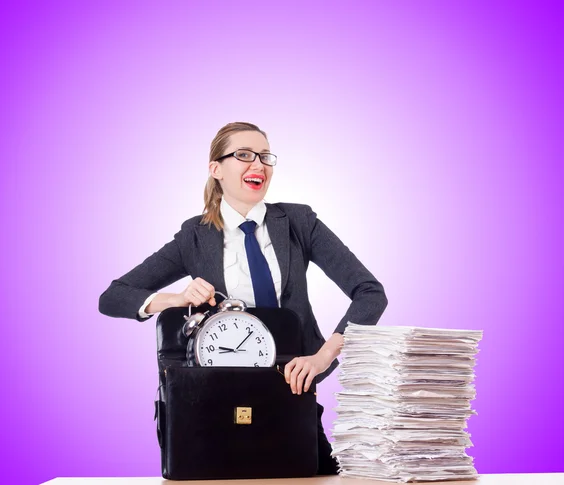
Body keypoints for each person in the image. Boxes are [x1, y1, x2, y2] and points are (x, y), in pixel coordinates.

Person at [98, 121, 388, 475]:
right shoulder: (195, 236)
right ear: (216, 169)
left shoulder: (299, 221)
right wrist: (175, 299)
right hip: (215, 399)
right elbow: (113, 297)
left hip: (291, 390)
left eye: (265, 156)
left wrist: (324, 355)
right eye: (244, 155)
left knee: (317, 474)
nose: (259, 165)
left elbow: (370, 293)